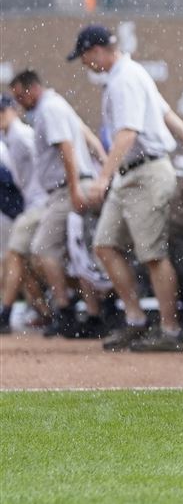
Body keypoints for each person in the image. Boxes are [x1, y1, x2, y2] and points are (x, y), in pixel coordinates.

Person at [68, 25, 183, 352]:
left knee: (153, 254)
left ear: (96, 50)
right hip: (130, 174)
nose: (85, 64)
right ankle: (135, 320)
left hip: (146, 172)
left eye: (85, 57)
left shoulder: (125, 78)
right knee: (105, 245)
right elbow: (167, 113)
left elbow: (128, 133)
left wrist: (102, 178)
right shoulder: (130, 73)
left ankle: (171, 331)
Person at [6, 71, 109, 337]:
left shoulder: (49, 108)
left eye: (20, 96)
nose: (19, 102)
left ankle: (65, 309)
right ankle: (94, 312)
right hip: (69, 187)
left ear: (32, 89)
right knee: (78, 256)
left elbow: (66, 148)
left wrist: (75, 188)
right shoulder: (55, 104)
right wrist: (103, 162)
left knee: (43, 248)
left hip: (68, 189)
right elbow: (85, 134)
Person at [0, 93, 50, 333]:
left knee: (15, 255)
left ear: (12, 110)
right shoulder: (10, 137)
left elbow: (46, 159)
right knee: (25, 263)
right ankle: (46, 311)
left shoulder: (21, 134)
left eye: (2, 110)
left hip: (40, 203)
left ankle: (6, 314)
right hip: (31, 205)